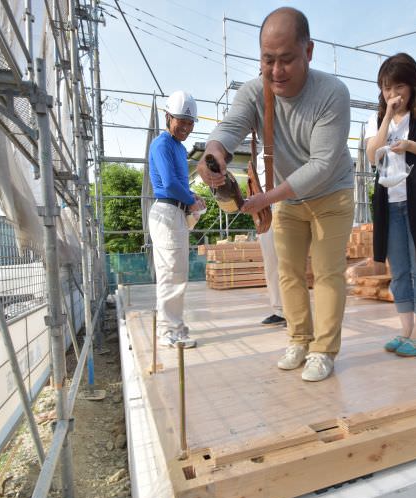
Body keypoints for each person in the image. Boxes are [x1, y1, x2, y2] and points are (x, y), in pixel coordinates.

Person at [198, 7, 354, 382]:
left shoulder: (332, 93)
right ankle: (299, 339)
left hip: (332, 194)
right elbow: (232, 125)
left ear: (309, 52)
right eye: (268, 60)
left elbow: (321, 165)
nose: (276, 71)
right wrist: (214, 151)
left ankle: (324, 350)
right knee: (288, 273)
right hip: (288, 198)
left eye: (287, 60)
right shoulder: (255, 92)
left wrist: (266, 199)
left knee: (329, 273)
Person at [365, 52, 416, 357]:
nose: (393, 94)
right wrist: (387, 117)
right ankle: (404, 330)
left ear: (413, 85)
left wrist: (411, 145)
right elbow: (372, 154)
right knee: (399, 270)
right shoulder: (378, 118)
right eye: (387, 88)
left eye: (399, 87)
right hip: (390, 203)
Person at [148, 90, 206, 349]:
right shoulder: (162, 144)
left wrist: (192, 196)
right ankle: (168, 332)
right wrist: (190, 199)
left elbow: (179, 184)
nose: (185, 127)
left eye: (190, 122)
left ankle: (175, 327)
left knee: (177, 274)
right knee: (171, 275)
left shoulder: (179, 148)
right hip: (167, 212)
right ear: (168, 116)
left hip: (175, 213)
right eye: (181, 120)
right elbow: (169, 183)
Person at [256, 151, 286, 327]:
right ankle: (279, 310)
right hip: (266, 213)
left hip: (286, 208)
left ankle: (294, 312)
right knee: (271, 264)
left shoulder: (288, 147)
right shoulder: (260, 155)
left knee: (288, 264)